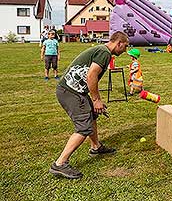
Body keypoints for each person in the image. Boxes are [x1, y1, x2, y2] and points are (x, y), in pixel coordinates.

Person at [49, 31, 129, 179]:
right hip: (70, 92)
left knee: (92, 115)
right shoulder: (104, 53)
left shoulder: (102, 50)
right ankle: (60, 164)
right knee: (84, 127)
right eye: (125, 46)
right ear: (118, 43)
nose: (125, 50)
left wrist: (94, 103)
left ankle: (96, 147)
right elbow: (91, 75)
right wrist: (96, 99)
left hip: (74, 90)